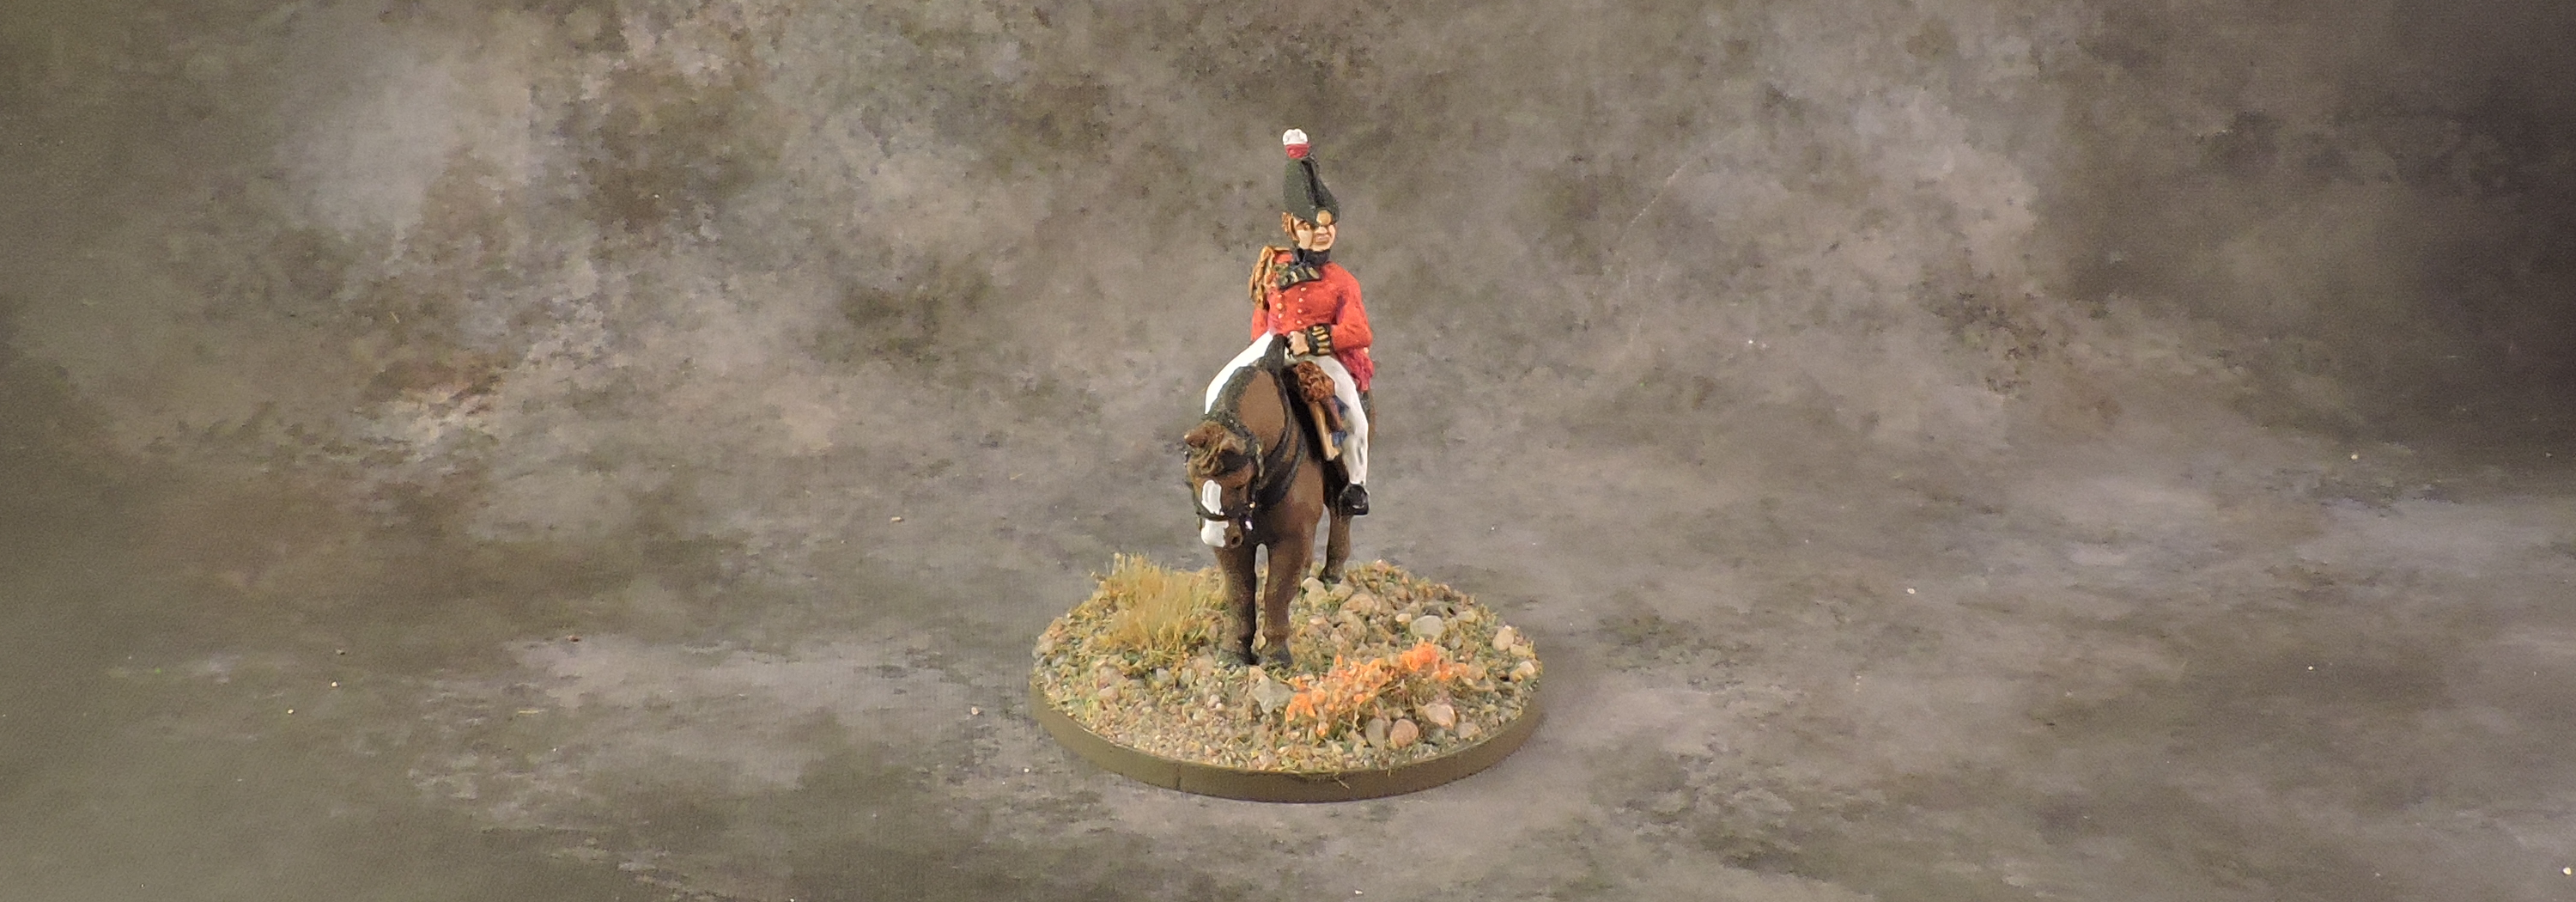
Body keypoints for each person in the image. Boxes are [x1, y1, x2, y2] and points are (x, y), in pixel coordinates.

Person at [1203, 128, 1374, 515]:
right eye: (1311, 226)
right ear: (1291, 226)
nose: (1322, 233)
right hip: (1272, 346)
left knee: (1353, 415)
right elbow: (1262, 314)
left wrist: (1312, 341)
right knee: (1219, 387)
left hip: (1317, 355)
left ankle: (1356, 484)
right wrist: (1259, 350)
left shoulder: (1342, 281)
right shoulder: (1274, 265)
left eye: (1327, 226)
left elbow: (1360, 331)